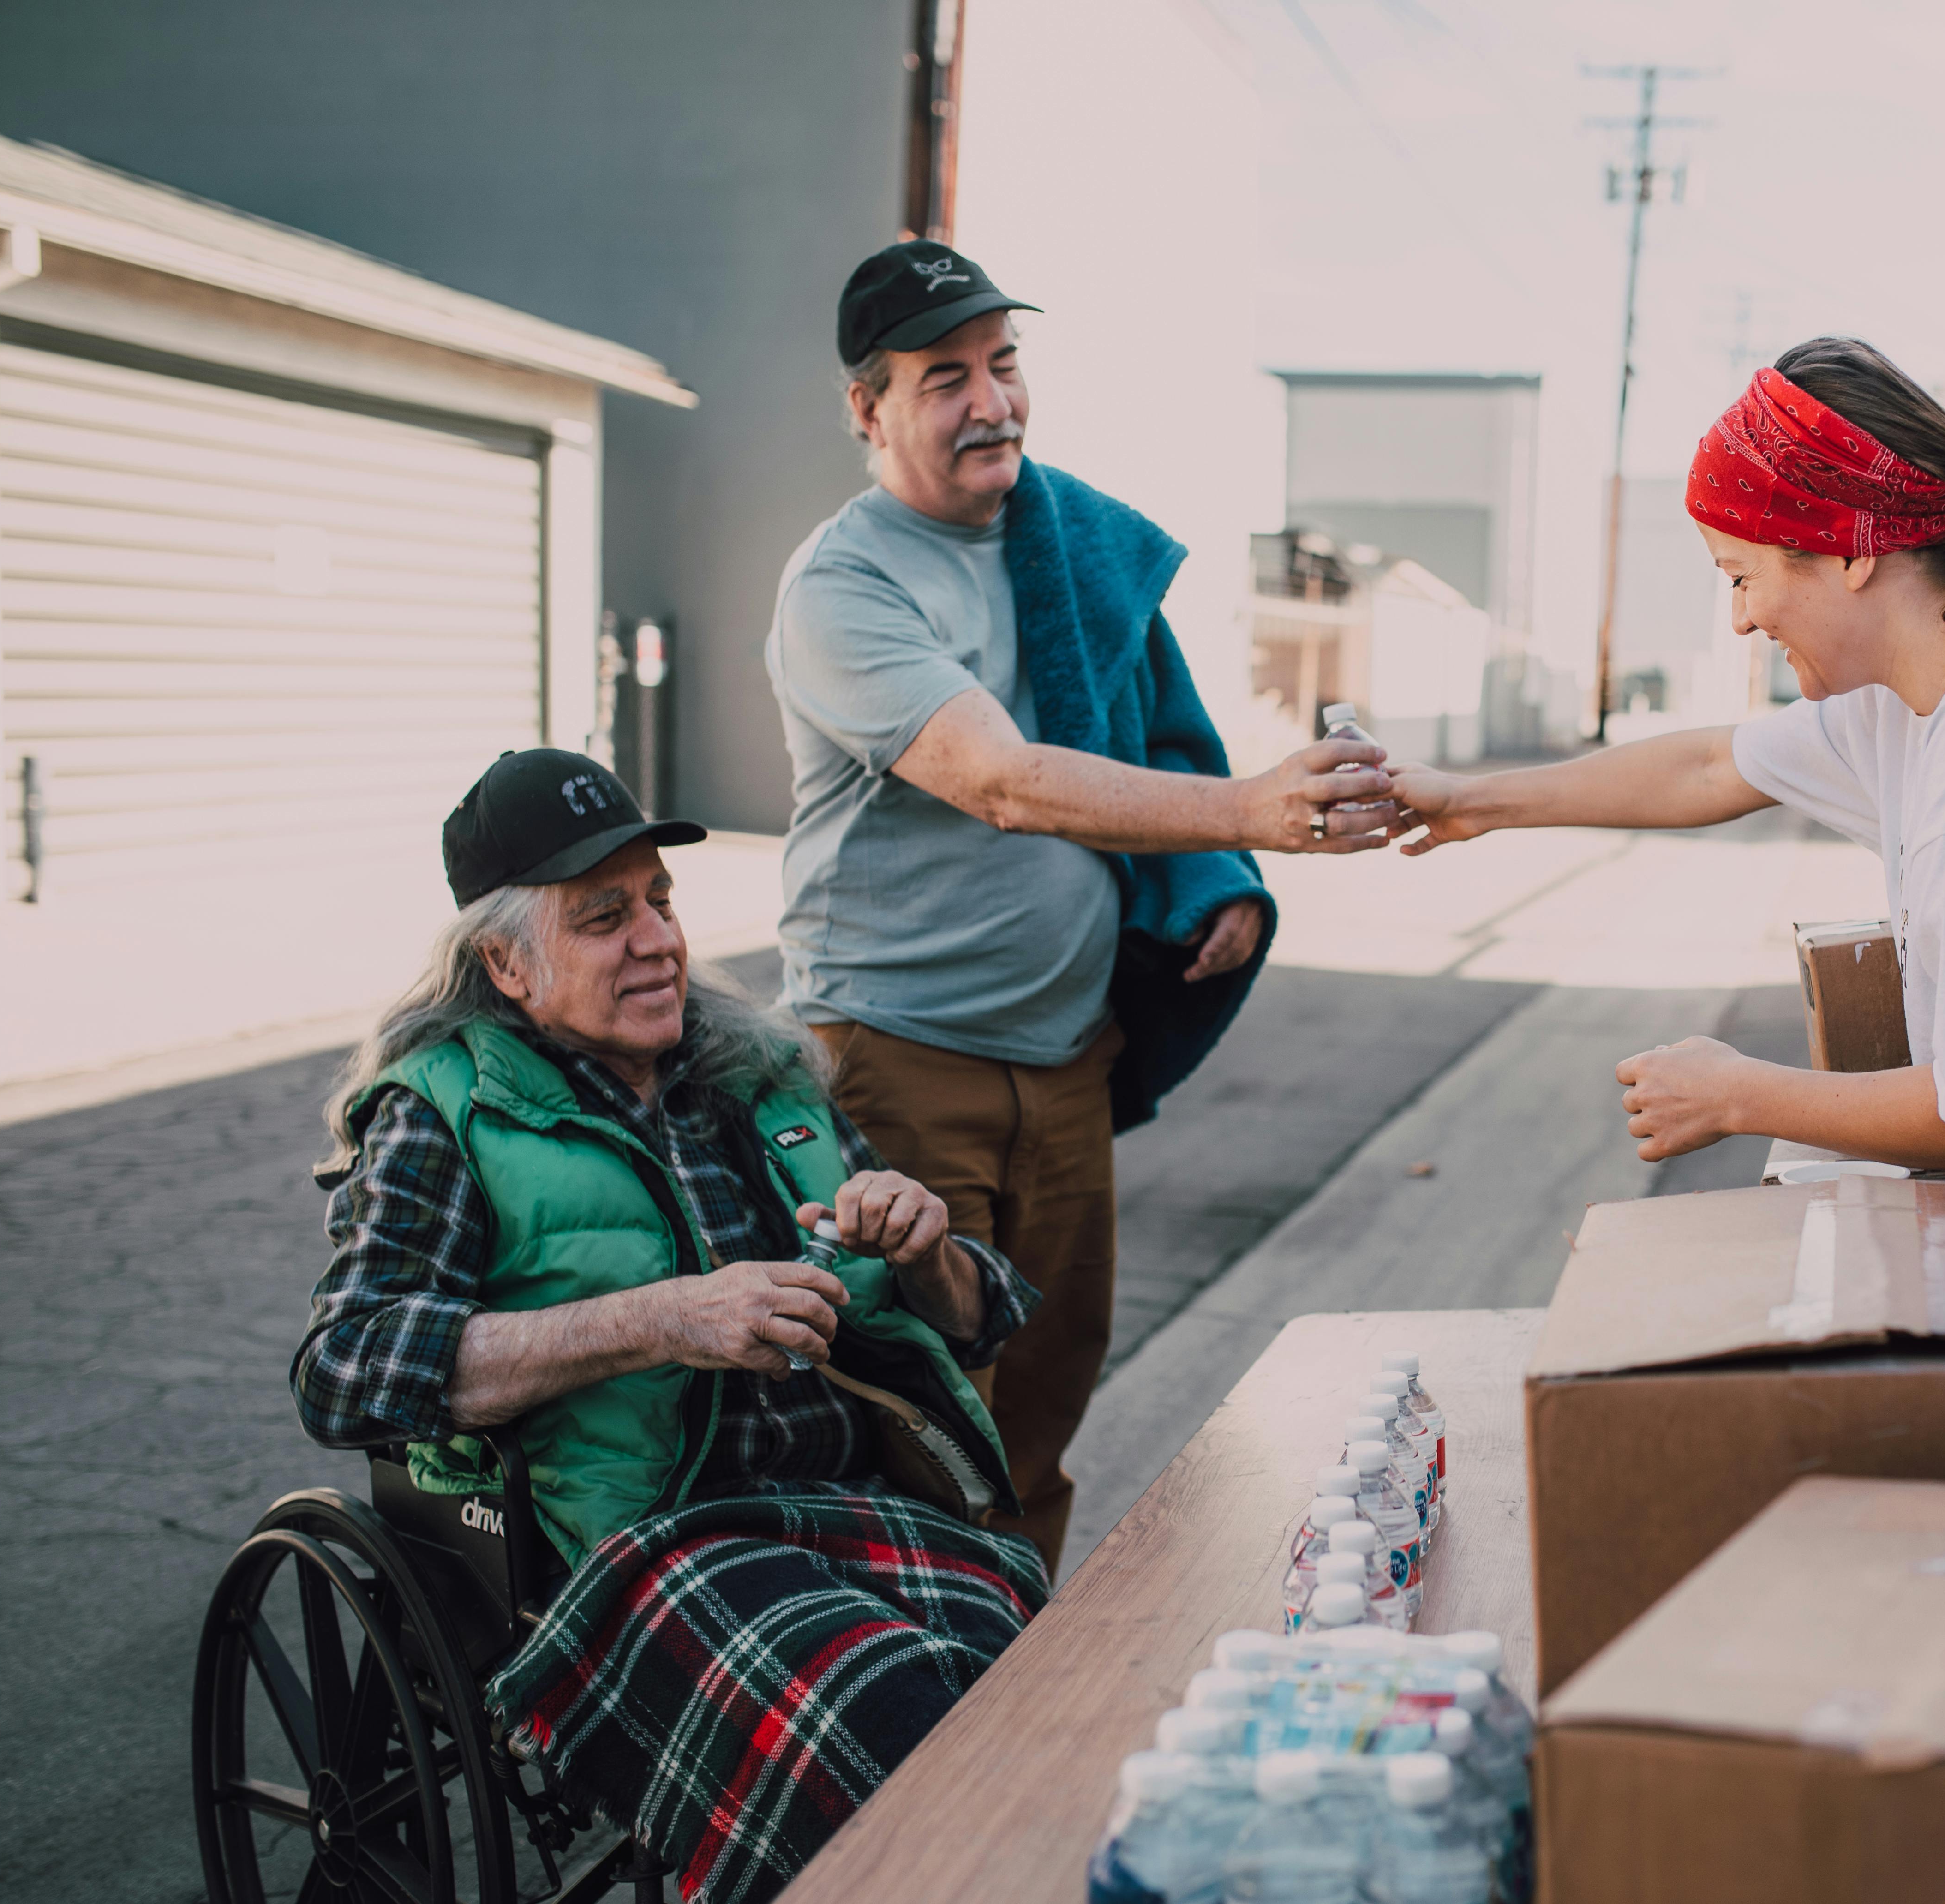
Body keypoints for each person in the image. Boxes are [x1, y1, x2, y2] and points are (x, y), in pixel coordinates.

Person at [295, 749, 1047, 1904]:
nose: (656, 939)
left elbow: (984, 1312)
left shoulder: (762, 1077)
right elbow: (346, 1370)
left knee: (1047, 1697)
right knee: (888, 1717)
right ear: (506, 962)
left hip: (843, 1505)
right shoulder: (445, 1108)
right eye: (604, 917)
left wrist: (926, 1247)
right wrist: (657, 1319)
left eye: (660, 901)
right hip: (635, 1542)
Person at [1384, 341, 1945, 1273]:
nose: (1740, 619)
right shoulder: (1935, 670)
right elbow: (1710, 764)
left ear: (1849, 550)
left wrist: (1735, 1094)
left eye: (1741, 578)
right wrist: (1472, 800)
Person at [766, 240, 1390, 1570]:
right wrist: (1252, 814)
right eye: (947, 378)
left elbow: (1152, 731)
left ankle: (1016, 1659)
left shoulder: (1069, 537)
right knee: (929, 1410)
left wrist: (1211, 875)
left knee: (1046, 1392)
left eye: (1004, 365)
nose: (991, 401)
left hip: (1063, 1060)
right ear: (867, 408)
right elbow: (1000, 779)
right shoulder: (843, 587)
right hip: (895, 1053)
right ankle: (921, 1699)